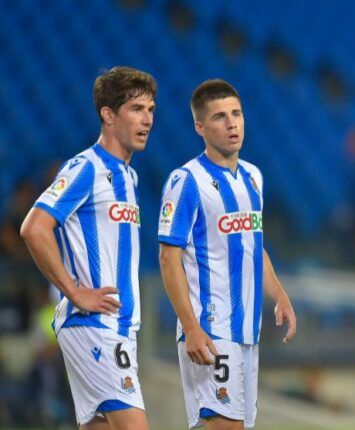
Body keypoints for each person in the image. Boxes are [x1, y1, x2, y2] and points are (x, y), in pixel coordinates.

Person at [19, 66, 156, 429]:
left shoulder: (129, 175)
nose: (147, 120)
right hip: (95, 324)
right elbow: (34, 228)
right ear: (108, 115)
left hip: (119, 327)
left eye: (151, 110)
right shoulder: (86, 168)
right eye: (136, 109)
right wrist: (75, 291)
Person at [158, 79, 296, 430]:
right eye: (220, 116)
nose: (232, 123)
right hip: (211, 328)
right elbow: (168, 257)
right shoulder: (186, 180)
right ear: (200, 127)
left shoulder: (253, 176)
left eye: (236, 113)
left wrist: (279, 294)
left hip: (249, 331)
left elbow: (252, 244)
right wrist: (191, 327)